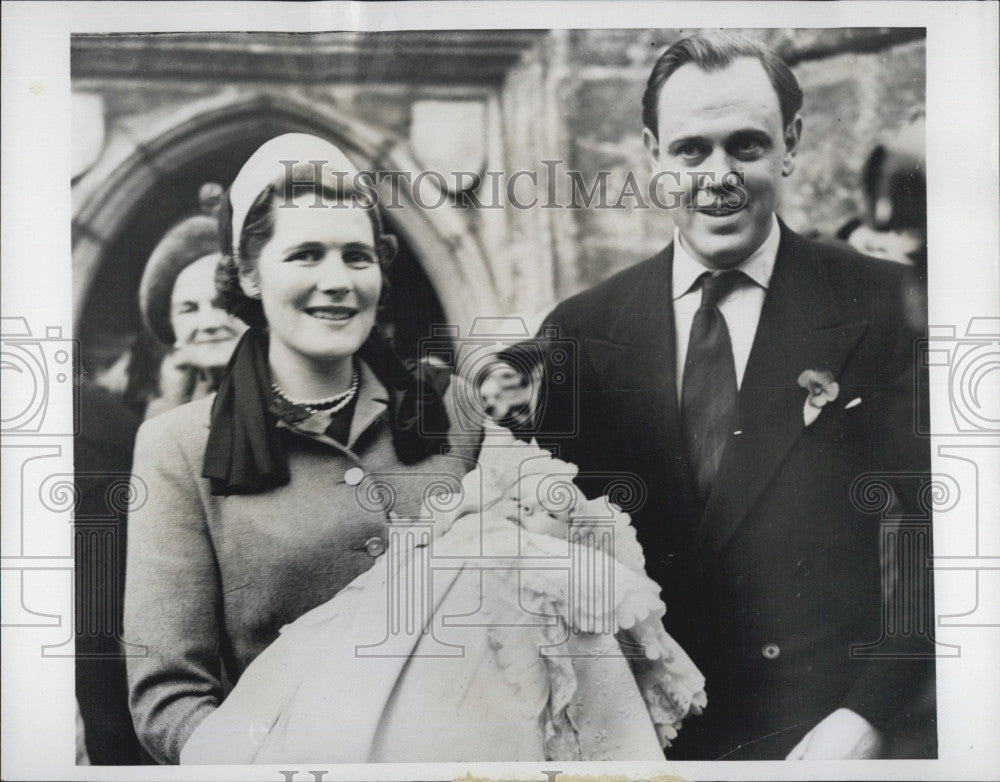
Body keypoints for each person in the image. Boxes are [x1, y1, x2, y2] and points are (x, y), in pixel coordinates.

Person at [500, 33, 933, 760]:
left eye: (747, 146)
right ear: (652, 155)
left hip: (829, 740)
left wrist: (868, 718)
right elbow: (550, 560)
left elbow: (940, 539)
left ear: (790, 144)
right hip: (652, 744)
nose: (718, 175)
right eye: (691, 150)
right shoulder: (584, 330)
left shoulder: (888, 306)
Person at [123, 134, 479, 764]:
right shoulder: (175, 448)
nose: (337, 281)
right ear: (251, 276)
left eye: (357, 257)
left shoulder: (455, 412)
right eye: (307, 255)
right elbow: (170, 695)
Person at [136, 185, 247, 418]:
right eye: (189, 309)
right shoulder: (165, 420)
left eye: (221, 304)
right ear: (172, 329)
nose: (207, 323)